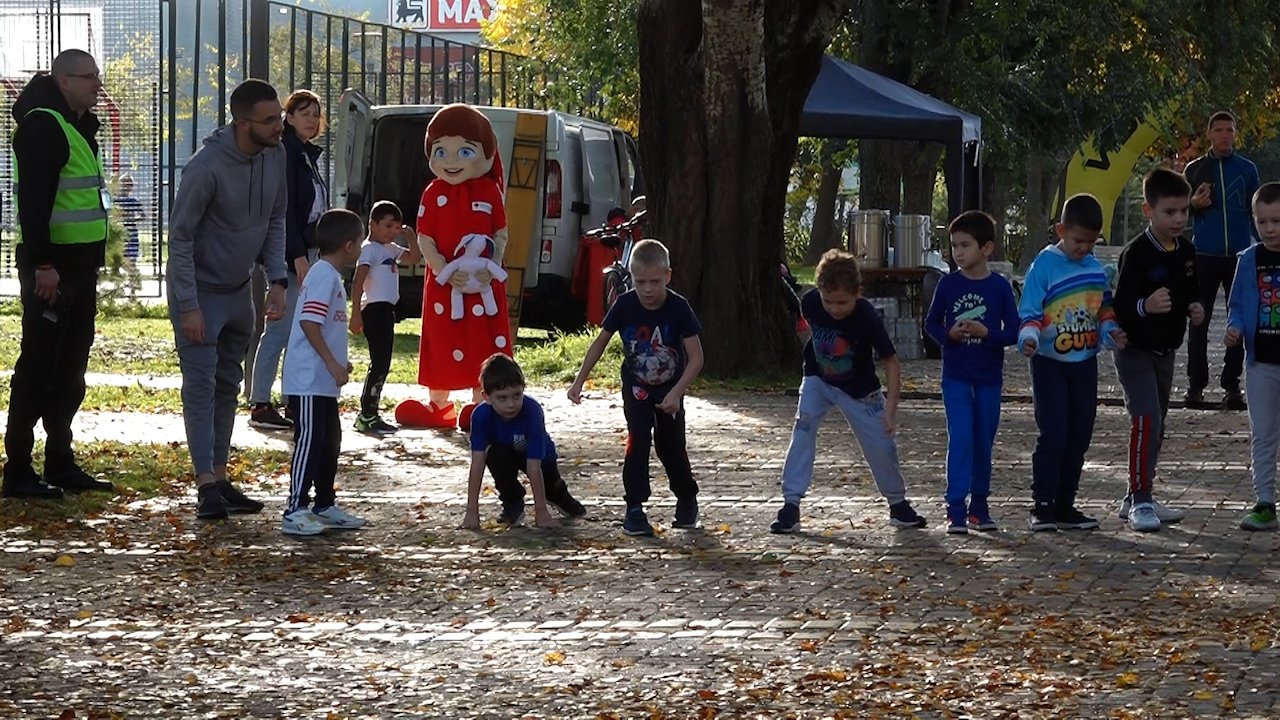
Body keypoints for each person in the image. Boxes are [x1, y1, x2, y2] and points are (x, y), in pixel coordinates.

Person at [167, 78, 289, 520]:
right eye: (270, 119)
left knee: (227, 384)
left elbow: (276, 219)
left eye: (280, 117)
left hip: (241, 291)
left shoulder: (276, 155)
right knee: (200, 387)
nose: (280, 126)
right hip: (200, 293)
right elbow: (179, 239)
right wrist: (189, 306)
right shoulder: (205, 167)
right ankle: (204, 485)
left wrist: (277, 278)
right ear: (242, 123)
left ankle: (219, 477)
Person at [2, 49, 114, 498]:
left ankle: (60, 461)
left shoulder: (75, 125)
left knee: (70, 368)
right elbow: (33, 203)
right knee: (39, 368)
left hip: (78, 268)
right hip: (53, 270)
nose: (97, 85)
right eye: (88, 77)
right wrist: (44, 264)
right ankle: (19, 469)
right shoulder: (44, 126)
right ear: (62, 80)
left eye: (97, 76)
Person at [767, 248, 927, 534]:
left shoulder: (867, 317)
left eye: (843, 302)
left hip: (860, 389)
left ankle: (898, 504)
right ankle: (790, 503)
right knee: (802, 431)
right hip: (818, 379)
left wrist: (890, 411)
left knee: (882, 446)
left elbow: (891, 362)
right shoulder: (811, 303)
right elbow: (807, 328)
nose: (835, 309)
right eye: (829, 301)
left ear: (858, 293)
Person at [567, 239, 704, 536]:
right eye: (641, 282)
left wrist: (677, 392)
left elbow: (696, 358)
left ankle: (686, 497)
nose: (648, 289)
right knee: (637, 441)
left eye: (655, 281)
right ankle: (634, 507)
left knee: (671, 449)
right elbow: (600, 342)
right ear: (632, 279)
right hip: (637, 389)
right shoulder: (625, 305)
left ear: (667, 276)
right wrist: (579, 381)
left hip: (669, 389)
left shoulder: (678, 308)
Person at [399, 103, 512, 432]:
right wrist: (444, 267)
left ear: (486, 153)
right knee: (442, 339)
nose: (451, 161)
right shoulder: (433, 193)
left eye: (464, 151)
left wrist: (489, 267)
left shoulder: (490, 191)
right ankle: (439, 405)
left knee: (484, 341)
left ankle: (483, 403)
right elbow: (425, 237)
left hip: (484, 284)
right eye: (440, 151)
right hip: (445, 284)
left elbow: (499, 233)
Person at [1018, 193, 1126, 532]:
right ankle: (1043, 504)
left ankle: (1066, 503)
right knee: (1054, 432)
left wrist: (1110, 333)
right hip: (1050, 362)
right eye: (1078, 240)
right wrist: (1029, 337)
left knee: (1080, 433)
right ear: (1061, 230)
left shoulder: (1094, 270)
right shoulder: (1045, 266)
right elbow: (1030, 309)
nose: (1083, 248)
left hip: (1084, 364)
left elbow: (1104, 310)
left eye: (1090, 242)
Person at [1111, 168, 1204, 532]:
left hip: (1167, 350)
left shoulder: (1187, 251)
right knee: (1145, 419)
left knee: (1157, 424)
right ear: (1149, 211)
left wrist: (1195, 307)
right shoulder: (1136, 253)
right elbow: (1119, 306)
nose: (1179, 219)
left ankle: (1134, 493)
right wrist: (1143, 307)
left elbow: (1191, 289)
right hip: (1134, 349)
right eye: (1170, 212)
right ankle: (1142, 501)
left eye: (1183, 211)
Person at [924, 211, 1019, 534]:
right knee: (961, 436)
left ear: (987, 248)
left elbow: (1015, 331)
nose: (958, 253)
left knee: (983, 441)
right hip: (956, 377)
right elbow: (932, 323)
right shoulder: (948, 285)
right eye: (953, 246)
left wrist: (987, 333)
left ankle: (979, 504)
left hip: (989, 378)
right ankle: (955, 506)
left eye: (965, 245)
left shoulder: (1000, 288)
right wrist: (948, 335)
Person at [280, 209, 366, 536]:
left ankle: (325, 504)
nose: (361, 248)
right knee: (310, 441)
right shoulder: (323, 275)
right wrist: (330, 362)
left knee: (330, 441)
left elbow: (325, 326)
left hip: (324, 382)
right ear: (348, 245)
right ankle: (295, 508)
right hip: (309, 380)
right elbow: (308, 322)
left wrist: (338, 363)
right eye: (359, 242)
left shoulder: (331, 276)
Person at [247, 89, 329, 430]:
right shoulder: (286, 154)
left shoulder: (306, 155)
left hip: (308, 249)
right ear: (289, 117)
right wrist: (295, 255)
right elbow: (286, 213)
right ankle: (260, 402)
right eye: (304, 113)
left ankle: (291, 399)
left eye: (315, 114)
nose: (311, 119)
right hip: (291, 253)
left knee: (299, 328)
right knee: (280, 328)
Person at [1183, 111, 1261, 410]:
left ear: (1236, 133)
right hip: (1203, 254)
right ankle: (1195, 386)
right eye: (1219, 130)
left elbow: (1257, 211)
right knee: (1198, 319)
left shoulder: (1247, 168)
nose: (1225, 135)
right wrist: (1192, 204)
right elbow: (1177, 209)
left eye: (1230, 129)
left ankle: (1232, 386)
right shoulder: (1195, 169)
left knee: (1238, 320)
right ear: (1209, 134)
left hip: (1239, 256)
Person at [462, 353, 587, 529]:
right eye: (502, 398)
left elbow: (534, 466)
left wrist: (541, 511)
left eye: (516, 395)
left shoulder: (532, 411)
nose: (511, 404)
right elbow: (477, 463)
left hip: (539, 456)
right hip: (505, 453)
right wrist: (471, 512)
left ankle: (558, 495)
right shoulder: (481, 416)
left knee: (552, 487)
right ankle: (512, 502)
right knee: (495, 456)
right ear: (487, 397)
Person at [1226, 182, 1280, 531]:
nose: (1270, 228)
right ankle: (1264, 502)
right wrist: (1234, 328)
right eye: (1263, 222)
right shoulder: (1249, 260)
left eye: (1277, 221)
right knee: (1263, 433)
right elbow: (1236, 304)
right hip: (1261, 364)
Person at [349, 200, 420, 433]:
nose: (393, 231)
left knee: (383, 362)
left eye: (396, 227)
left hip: (387, 310)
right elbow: (358, 281)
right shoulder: (370, 249)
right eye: (388, 226)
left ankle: (370, 410)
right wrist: (355, 314)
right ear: (373, 224)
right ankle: (367, 413)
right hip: (374, 310)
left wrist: (410, 237)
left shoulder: (390, 249)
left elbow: (413, 258)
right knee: (379, 362)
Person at [114, 174, 145, 265]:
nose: (128, 187)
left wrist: (132, 219)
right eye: (126, 184)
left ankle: (132, 274)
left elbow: (143, 216)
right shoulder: (116, 200)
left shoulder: (134, 201)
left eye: (130, 184)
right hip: (119, 231)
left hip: (131, 231)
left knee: (131, 257)